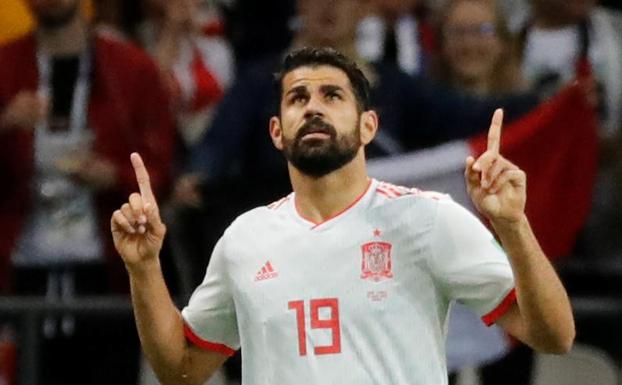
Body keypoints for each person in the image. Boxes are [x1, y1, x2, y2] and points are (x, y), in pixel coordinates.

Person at [111, 47, 574, 384]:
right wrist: (144, 267)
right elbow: (181, 368)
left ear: (368, 126)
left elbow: (553, 335)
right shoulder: (244, 239)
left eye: (332, 96)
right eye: (297, 98)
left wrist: (513, 226)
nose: (312, 107)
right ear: (276, 131)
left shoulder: (428, 218)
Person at [0, 0, 174, 383]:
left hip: (108, 270)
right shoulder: (6, 66)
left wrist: (114, 176)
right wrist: (5, 124)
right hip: (20, 270)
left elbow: (162, 168)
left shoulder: (132, 70)